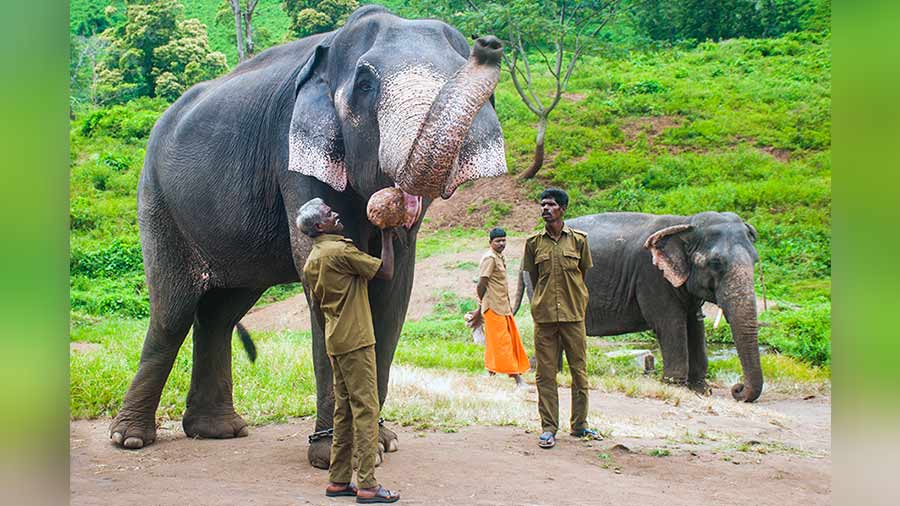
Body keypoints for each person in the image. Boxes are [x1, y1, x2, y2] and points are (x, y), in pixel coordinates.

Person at [298, 198, 400, 504]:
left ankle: (339, 481)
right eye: (329, 214)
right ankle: (368, 484)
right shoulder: (340, 251)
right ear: (320, 226)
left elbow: (318, 307)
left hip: (336, 341)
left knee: (342, 413)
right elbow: (385, 272)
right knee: (367, 410)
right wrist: (386, 234)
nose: (336, 214)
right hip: (357, 340)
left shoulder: (312, 260)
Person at [522, 188, 601, 449]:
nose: (545, 208)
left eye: (551, 205)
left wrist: (573, 299)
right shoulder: (533, 243)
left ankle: (580, 425)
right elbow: (531, 278)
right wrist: (540, 302)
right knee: (545, 375)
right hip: (544, 318)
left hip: (573, 316)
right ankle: (548, 428)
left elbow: (583, 274)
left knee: (579, 373)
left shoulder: (579, 241)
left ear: (562, 209)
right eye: (542, 204)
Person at [476, 227, 530, 387]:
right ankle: (517, 378)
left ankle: (490, 374)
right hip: (493, 306)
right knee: (503, 342)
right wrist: (482, 301)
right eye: (498, 241)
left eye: (504, 240)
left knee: (499, 340)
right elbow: (482, 283)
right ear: (490, 242)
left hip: (503, 305)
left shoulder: (499, 257)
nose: (501, 243)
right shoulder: (490, 258)